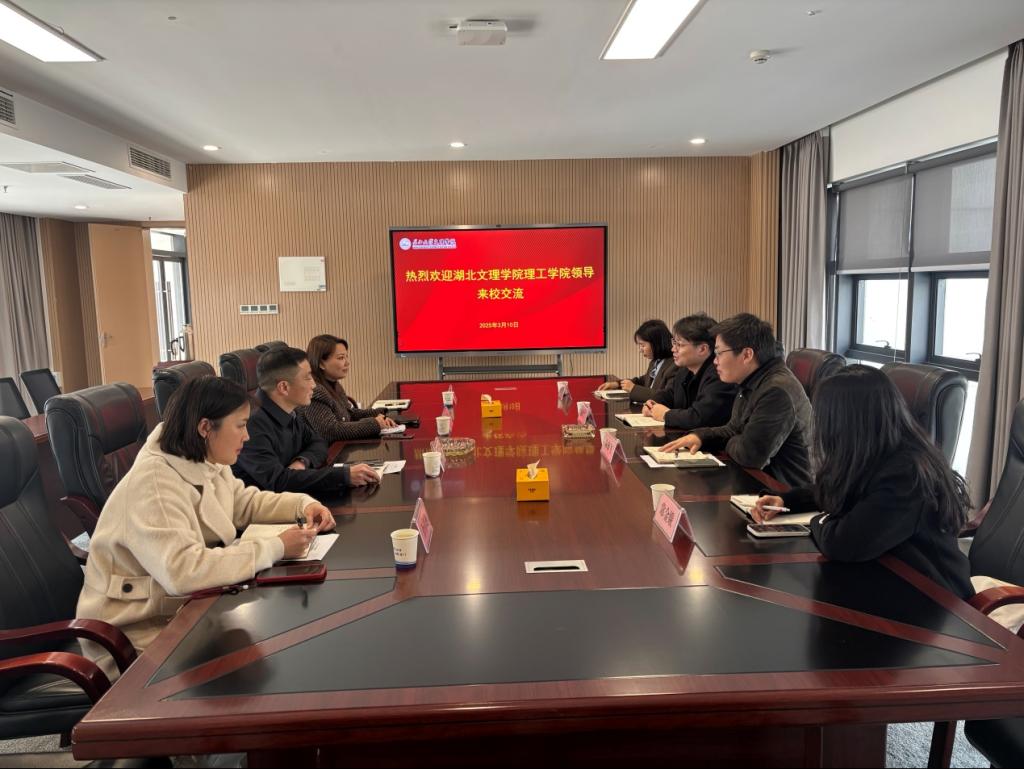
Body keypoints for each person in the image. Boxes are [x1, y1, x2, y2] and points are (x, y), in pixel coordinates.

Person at [76, 376, 335, 669]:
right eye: (240, 426)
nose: (247, 436)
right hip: (138, 634)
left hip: (185, 610)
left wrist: (302, 504)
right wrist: (276, 547)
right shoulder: (154, 483)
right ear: (205, 428)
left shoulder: (202, 455)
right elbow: (184, 570)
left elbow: (243, 503)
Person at [752, 366, 973, 600]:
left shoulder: (907, 475)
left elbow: (842, 543)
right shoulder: (877, 451)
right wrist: (787, 501)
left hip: (934, 599)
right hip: (885, 578)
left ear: (845, 422)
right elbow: (837, 489)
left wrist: (819, 519)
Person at [662, 313, 812, 488]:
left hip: (781, 491)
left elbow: (750, 456)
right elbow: (733, 429)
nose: (715, 361)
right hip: (754, 481)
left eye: (719, 353)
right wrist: (701, 436)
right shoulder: (752, 380)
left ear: (746, 354)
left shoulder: (776, 391)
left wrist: (732, 439)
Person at [233, 346, 380, 494]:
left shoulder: (289, 409)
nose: (314, 385)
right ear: (284, 387)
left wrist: (302, 462)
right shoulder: (250, 424)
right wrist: (344, 476)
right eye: (308, 377)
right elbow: (278, 482)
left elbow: (318, 442)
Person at [640, 313, 736, 431]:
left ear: (702, 349)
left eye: (679, 345)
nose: (673, 349)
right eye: (674, 343)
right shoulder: (685, 370)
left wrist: (666, 415)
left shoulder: (719, 374)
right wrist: (652, 403)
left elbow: (700, 417)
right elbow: (669, 394)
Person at [303, 335, 396, 442]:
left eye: (346, 357)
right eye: (341, 358)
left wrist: (382, 414)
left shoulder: (334, 384)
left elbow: (349, 414)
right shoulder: (314, 390)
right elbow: (330, 431)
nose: (347, 363)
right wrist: (375, 424)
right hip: (328, 450)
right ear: (321, 363)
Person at [597, 319, 678, 403]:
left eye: (642, 345)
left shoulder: (675, 365)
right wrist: (617, 384)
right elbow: (643, 380)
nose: (640, 350)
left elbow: (666, 397)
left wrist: (633, 389)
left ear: (656, 343)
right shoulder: (656, 361)